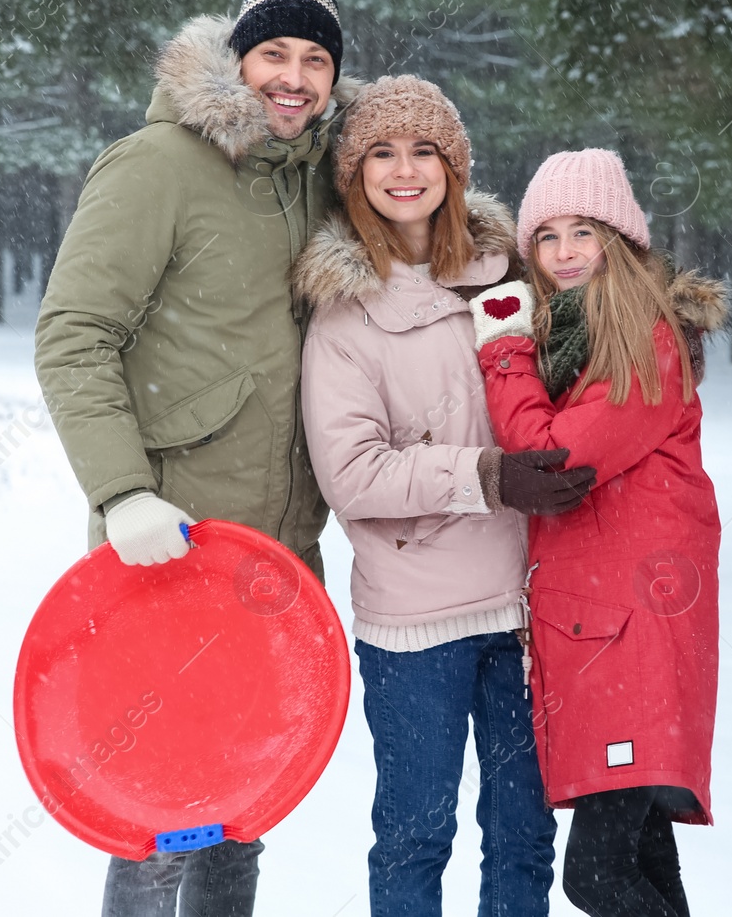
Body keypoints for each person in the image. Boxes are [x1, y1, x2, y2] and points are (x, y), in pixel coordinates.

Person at [35, 0, 359, 917]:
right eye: (276, 54)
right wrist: (121, 489)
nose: (294, 78)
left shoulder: (321, 178)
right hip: (162, 559)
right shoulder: (154, 167)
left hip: (275, 565)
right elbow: (73, 334)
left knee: (240, 811)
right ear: (238, 60)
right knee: (156, 816)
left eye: (316, 59)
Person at [293, 76, 591, 917]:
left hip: (528, 607)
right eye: (381, 153)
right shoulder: (343, 314)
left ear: (454, 166)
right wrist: (486, 475)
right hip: (415, 623)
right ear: (354, 176)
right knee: (418, 833)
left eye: (425, 150)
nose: (404, 170)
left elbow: (590, 363)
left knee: (525, 833)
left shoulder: (511, 276)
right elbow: (351, 472)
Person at [463, 149, 729, 917]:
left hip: (633, 638)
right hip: (606, 634)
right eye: (546, 236)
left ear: (620, 239)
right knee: (646, 856)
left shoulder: (643, 340)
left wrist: (503, 350)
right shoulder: (575, 341)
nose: (565, 252)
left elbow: (554, 460)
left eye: (584, 231)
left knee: (595, 873)